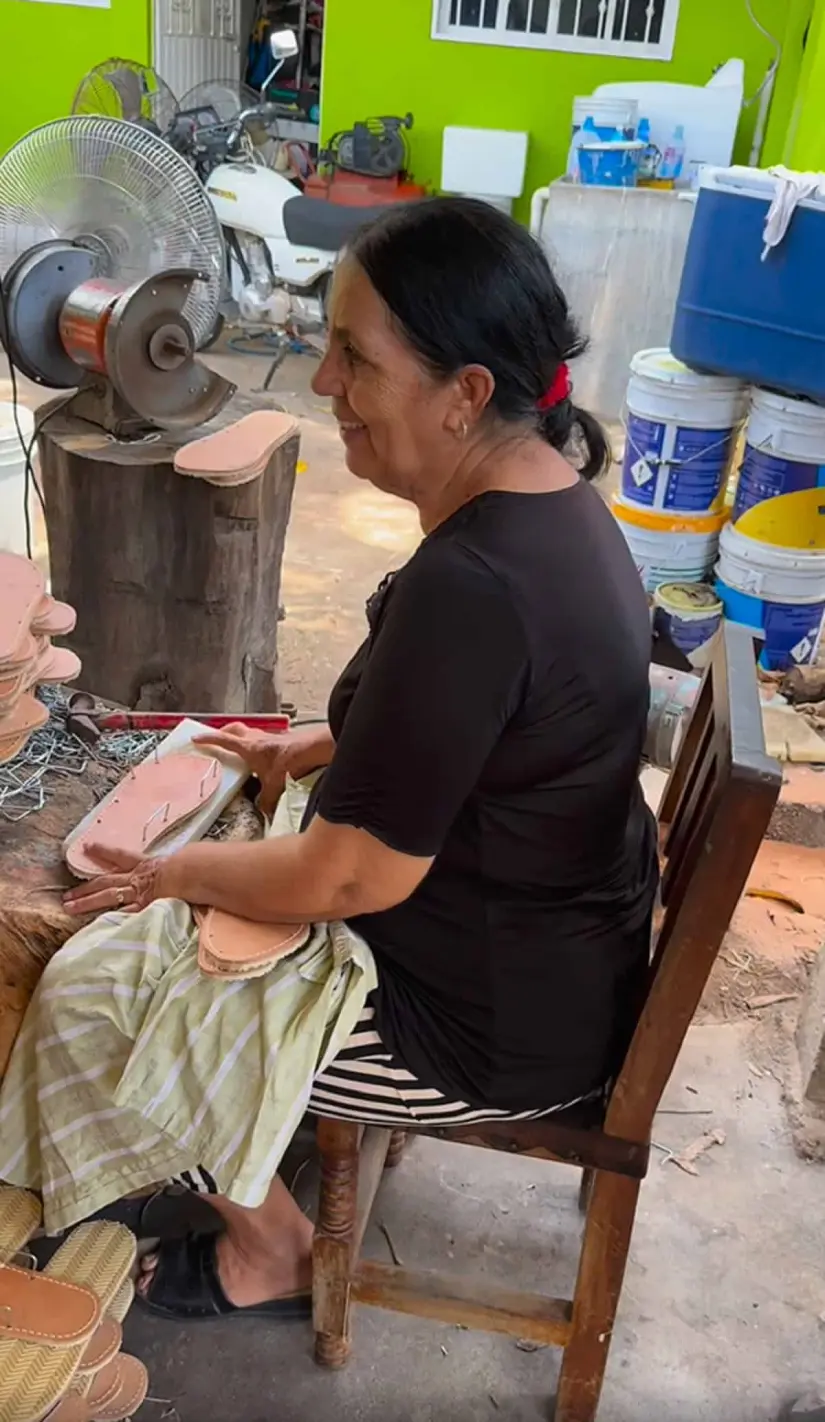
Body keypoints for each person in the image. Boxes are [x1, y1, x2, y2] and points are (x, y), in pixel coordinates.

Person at [0, 197, 658, 1323]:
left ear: (467, 395)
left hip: (473, 1034)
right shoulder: (549, 508)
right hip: (549, 960)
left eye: (352, 357)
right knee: (187, 913)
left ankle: (273, 1246)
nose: (319, 384)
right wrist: (319, 743)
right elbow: (478, 728)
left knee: (95, 994)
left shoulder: (477, 587)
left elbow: (351, 879)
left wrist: (172, 875)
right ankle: (227, 1158)